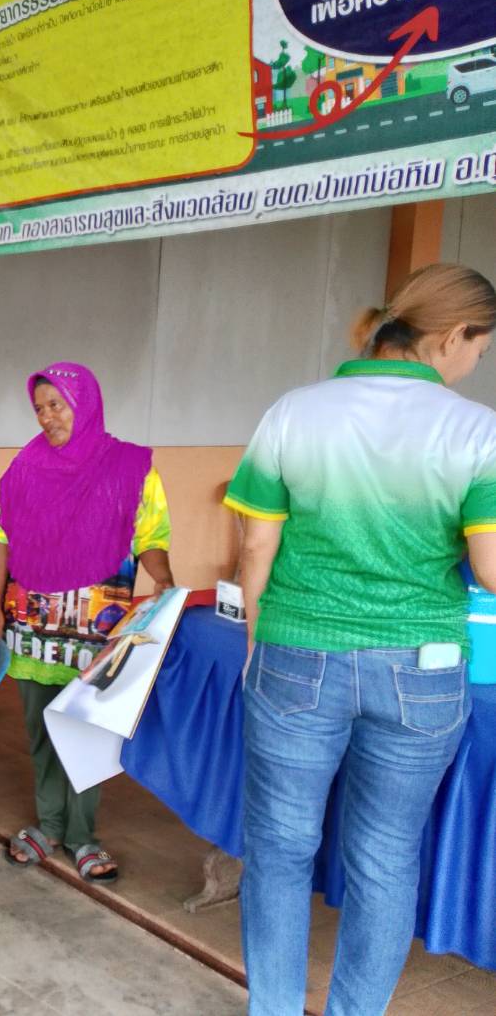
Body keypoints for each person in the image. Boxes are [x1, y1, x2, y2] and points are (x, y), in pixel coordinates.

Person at [225, 262, 496, 1016]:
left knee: (279, 852)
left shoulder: (295, 411)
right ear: (451, 337)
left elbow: (254, 552)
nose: (477, 364)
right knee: (384, 860)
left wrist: (258, 637)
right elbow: (492, 569)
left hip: (296, 657)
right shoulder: (478, 432)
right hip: (423, 672)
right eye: (481, 347)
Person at [0, 362, 174, 883]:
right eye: (40, 408)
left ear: (83, 402)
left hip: (98, 627)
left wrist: (163, 579)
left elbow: (150, 537)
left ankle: (83, 836)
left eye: (57, 405)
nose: (47, 417)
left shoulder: (130, 468)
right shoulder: (25, 467)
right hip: (32, 625)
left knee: (88, 730)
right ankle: (48, 825)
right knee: (43, 727)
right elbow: (2, 539)